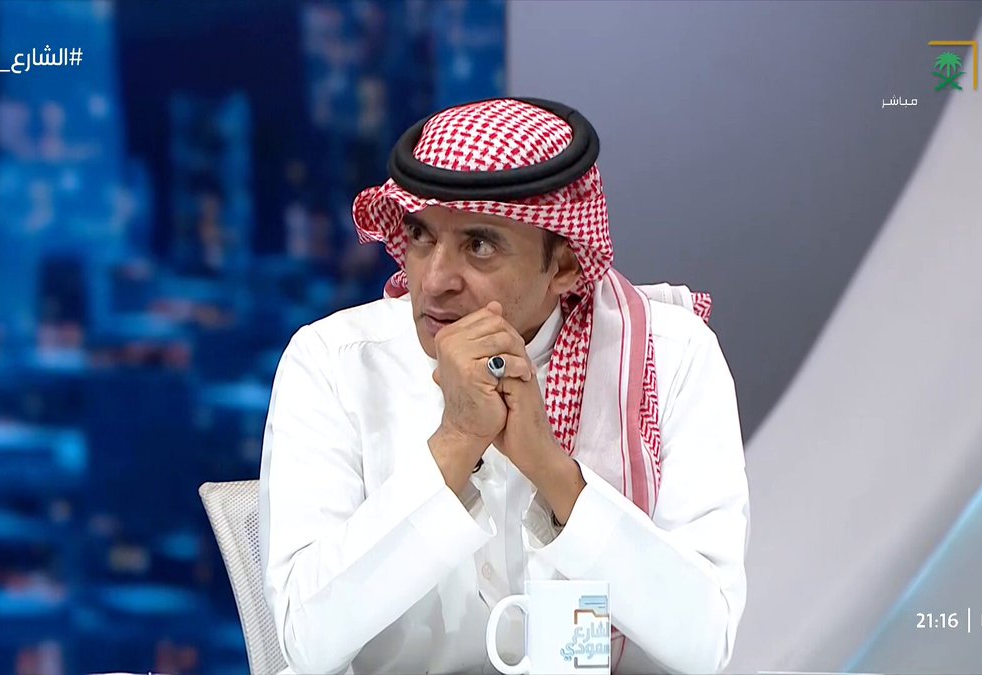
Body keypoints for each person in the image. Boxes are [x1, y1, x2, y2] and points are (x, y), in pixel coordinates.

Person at [259, 97, 749, 674]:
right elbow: (305, 642)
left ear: (564, 265)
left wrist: (553, 472)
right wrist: (455, 444)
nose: (434, 281)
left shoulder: (667, 357)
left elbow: (704, 644)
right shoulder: (334, 362)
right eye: (420, 236)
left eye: (479, 245)